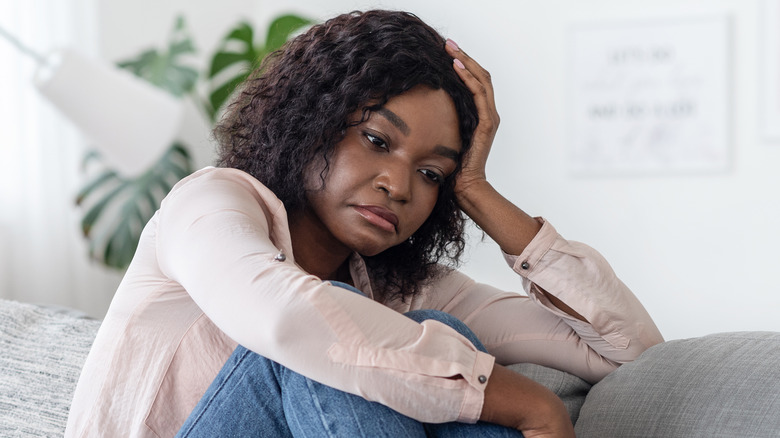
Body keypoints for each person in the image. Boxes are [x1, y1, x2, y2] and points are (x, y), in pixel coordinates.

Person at [64, 9, 663, 438]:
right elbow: (285, 317)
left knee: (414, 322)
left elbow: (628, 355)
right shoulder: (207, 205)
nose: (398, 186)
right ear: (313, 121)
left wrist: (476, 190)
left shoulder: (401, 285)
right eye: (377, 141)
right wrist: (518, 401)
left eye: (432, 174)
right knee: (329, 332)